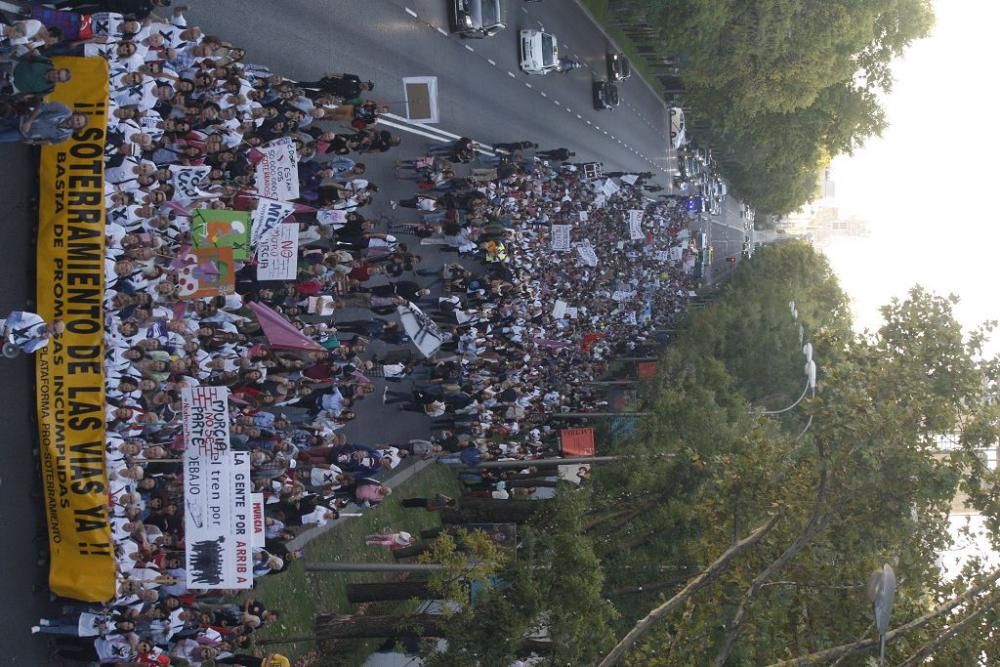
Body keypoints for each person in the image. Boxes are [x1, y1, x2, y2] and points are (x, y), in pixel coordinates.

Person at [0, 101, 87, 144]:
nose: (76, 121)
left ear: (77, 128)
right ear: (76, 115)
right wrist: (29, 122)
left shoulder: (65, 136)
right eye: (78, 118)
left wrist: (34, 142)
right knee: (2, 119)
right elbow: (41, 108)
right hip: (22, 119)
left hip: (24, 134)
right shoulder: (63, 109)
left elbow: (50, 141)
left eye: (78, 123)